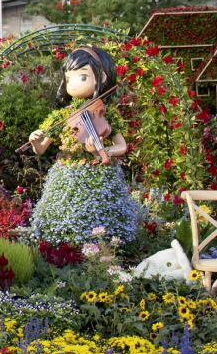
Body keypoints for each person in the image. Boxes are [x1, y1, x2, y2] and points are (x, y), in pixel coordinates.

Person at [27, 45, 140, 246]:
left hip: (99, 174)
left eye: (82, 77)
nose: (72, 84)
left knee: (102, 225)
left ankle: (103, 250)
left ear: (102, 78)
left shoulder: (106, 113)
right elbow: (42, 149)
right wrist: (36, 142)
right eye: (68, 78)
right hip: (67, 172)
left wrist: (102, 151)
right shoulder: (62, 116)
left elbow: (122, 146)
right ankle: (65, 251)